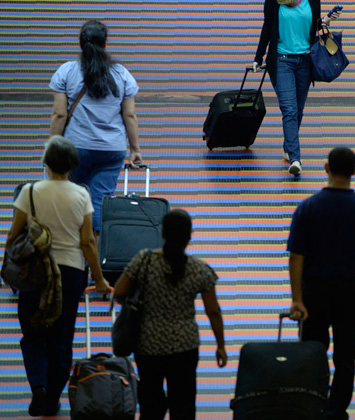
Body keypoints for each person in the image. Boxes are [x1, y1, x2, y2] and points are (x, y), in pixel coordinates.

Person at [287, 147, 355, 420]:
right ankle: (336, 411)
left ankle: (313, 405)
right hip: (349, 293)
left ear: (326, 168)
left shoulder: (307, 208)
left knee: (313, 352)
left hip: (314, 292)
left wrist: (297, 299)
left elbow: (296, 257)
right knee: (346, 357)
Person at [7, 135, 111, 416]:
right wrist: (99, 278)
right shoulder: (82, 195)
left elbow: (14, 234)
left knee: (32, 333)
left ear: (46, 162)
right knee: (62, 337)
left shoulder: (29, 192)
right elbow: (87, 242)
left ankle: (38, 386)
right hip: (70, 272)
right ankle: (53, 396)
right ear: (72, 164)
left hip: (35, 271)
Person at [113, 210, 227, 420]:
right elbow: (213, 311)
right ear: (189, 236)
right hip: (184, 346)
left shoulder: (144, 260)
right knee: (183, 405)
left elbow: (119, 292)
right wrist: (220, 346)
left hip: (148, 343)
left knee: (150, 403)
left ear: (163, 234)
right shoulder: (199, 269)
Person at [49, 20, 142, 234]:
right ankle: (97, 251)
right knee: (100, 201)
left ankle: (71, 247)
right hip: (111, 149)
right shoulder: (121, 73)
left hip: (75, 148)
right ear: (105, 43)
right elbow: (129, 115)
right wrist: (135, 149)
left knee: (70, 197)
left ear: (81, 43)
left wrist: (53, 147)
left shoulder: (66, 71)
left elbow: (59, 114)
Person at [252, 0, 342, 176]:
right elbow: (267, 27)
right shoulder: (274, 2)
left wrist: (327, 20)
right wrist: (258, 57)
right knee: (289, 109)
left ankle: (288, 147)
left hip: (305, 61)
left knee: (298, 109)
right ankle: (295, 159)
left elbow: (314, 26)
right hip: (281, 61)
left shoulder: (312, 1)